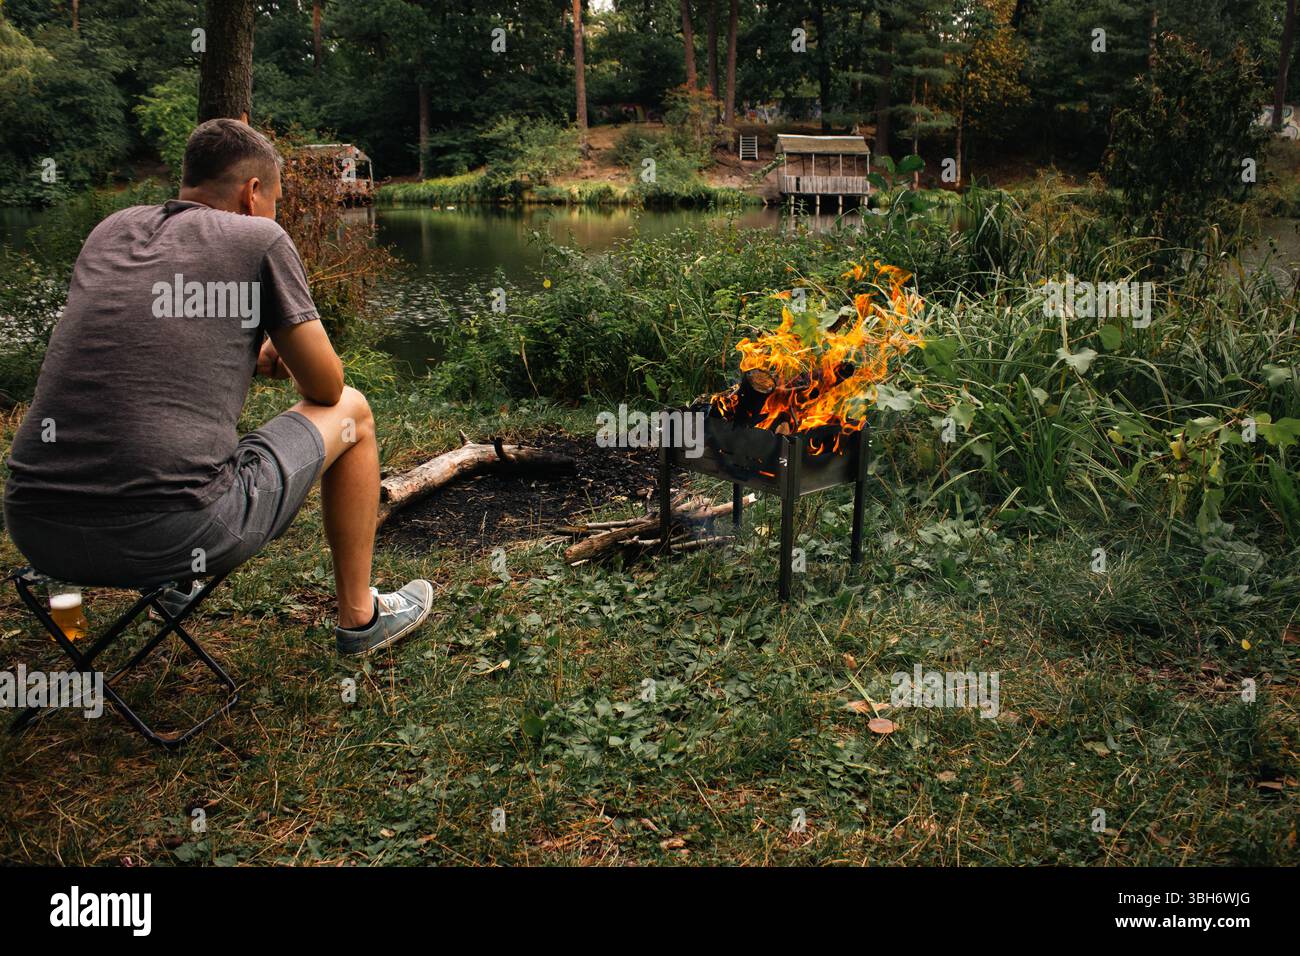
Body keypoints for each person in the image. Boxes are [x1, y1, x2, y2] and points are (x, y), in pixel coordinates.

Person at [4, 118, 432, 656]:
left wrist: (247, 352)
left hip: (36, 526)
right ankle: (360, 618)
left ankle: (177, 586)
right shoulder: (259, 236)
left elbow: (137, 340)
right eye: (275, 200)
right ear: (253, 194)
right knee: (353, 412)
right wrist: (280, 354)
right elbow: (326, 386)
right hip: (172, 530)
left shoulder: (110, 230)